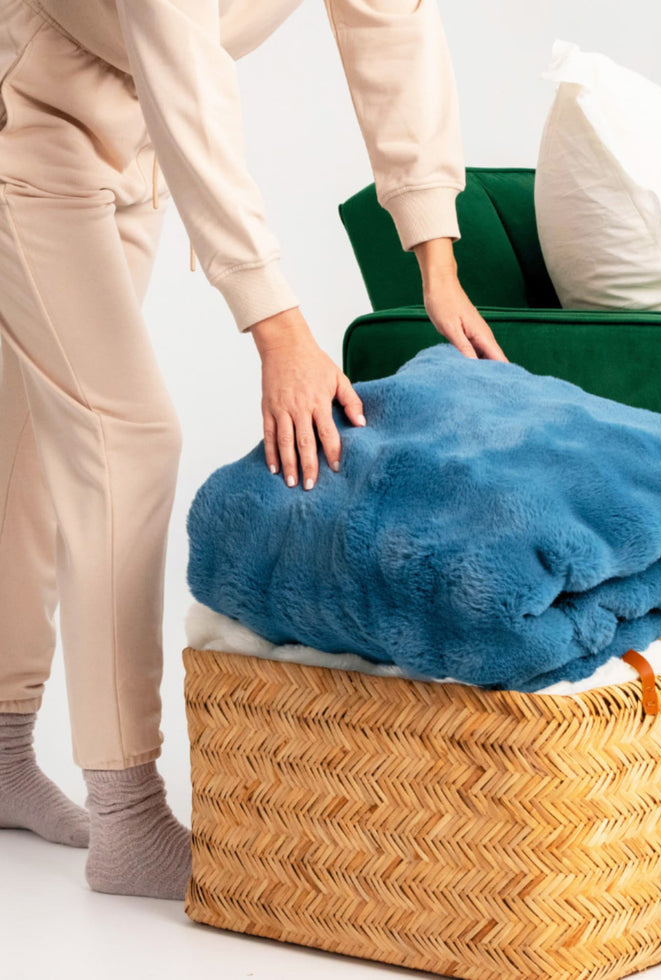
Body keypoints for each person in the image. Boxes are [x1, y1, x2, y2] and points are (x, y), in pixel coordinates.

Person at [0, 0, 508, 901]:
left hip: (138, 140)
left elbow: (389, 22)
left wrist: (437, 255)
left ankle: (1, 753)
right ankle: (126, 816)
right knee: (125, 437)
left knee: (40, 436)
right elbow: (186, 74)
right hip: (31, 125)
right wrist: (277, 328)